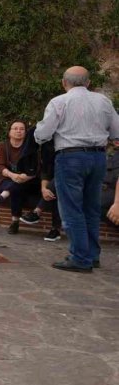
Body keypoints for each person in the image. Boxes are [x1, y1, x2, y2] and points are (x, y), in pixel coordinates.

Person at [34, 66, 119, 272]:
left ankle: (80, 257)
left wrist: (38, 132)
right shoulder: (103, 101)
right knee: (91, 207)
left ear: (64, 83)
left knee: (72, 208)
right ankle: (92, 255)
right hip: (98, 157)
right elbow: (116, 131)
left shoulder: (59, 102)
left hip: (70, 157)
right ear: (89, 83)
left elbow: (43, 134)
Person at [0, 121, 39, 234]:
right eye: (15, 128)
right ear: (9, 132)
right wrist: (12, 175)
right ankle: (14, 222)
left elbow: (36, 168)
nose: (18, 131)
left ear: (25, 133)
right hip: (6, 179)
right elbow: (0, 165)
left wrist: (25, 177)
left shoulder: (31, 148)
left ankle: (2, 200)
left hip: (26, 180)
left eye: (21, 129)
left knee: (18, 187)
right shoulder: (3, 146)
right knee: (16, 188)